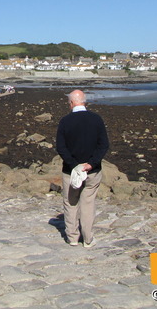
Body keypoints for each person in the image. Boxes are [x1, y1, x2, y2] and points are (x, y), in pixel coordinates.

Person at [55, 89, 109, 247]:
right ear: (85, 102)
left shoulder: (65, 121)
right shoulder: (96, 119)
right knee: (88, 204)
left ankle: (72, 238)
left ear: (71, 103)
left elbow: (61, 147)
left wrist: (74, 165)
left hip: (70, 171)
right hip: (92, 170)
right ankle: (87, 238)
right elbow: (103, 145)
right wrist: (91, 163)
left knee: (71, 203)